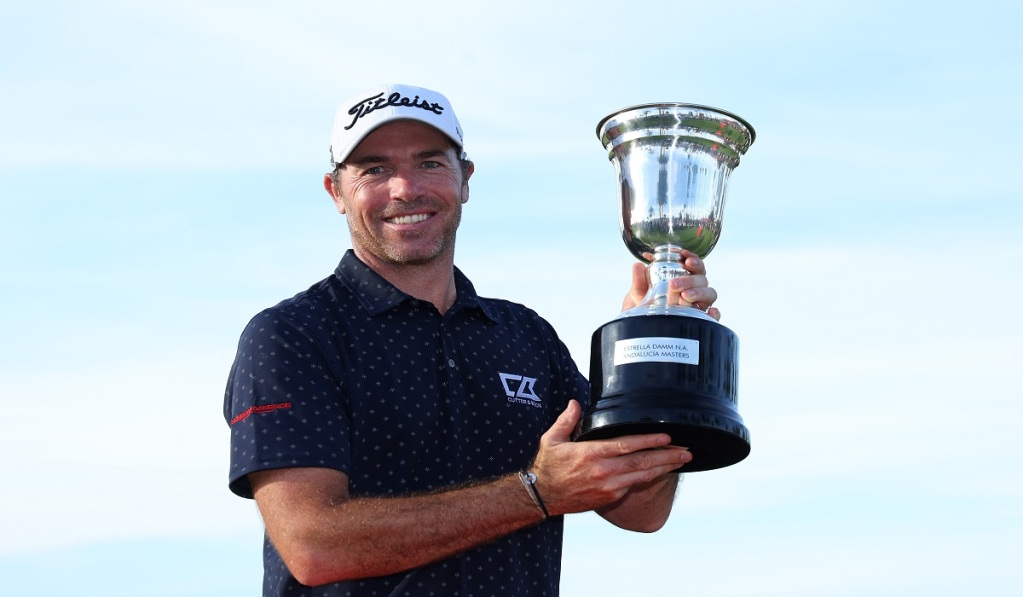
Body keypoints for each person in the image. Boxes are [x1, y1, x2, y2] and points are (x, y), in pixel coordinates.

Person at [224, 83, 721, 596]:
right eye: (374, 169)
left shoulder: (526, 335)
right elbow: (314, 545)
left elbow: (641, 508)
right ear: (335, 192)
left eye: (430, 163)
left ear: (465, 179)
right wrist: (536, 494)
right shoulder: (292, 335)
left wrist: (651, 358)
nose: (404, 188)